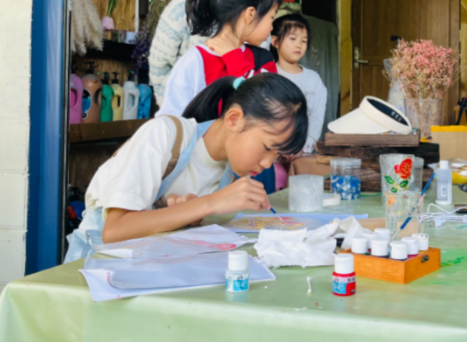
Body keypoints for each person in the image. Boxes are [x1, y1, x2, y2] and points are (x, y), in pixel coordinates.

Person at [64, 74, 308, 263]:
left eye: (277, 156)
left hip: (142, 264)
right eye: (267, 147)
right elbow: (115, 231)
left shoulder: (228, 168)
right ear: (234, 119)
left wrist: (187, 215)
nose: (267, 163)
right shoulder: (164, 134)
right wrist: (210, 203)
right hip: (93, 265)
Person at [157, 0, 281, 118]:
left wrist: (234, 58)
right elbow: (170, 120)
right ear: (250, 15)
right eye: (272, 18)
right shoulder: (195, 60)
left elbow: (272, 106)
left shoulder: (263, 60)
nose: (272, 27)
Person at [269, 14, 327, 190]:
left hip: (303, 157)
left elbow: (316, 117)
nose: (298, 45)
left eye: (304, 41)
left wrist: (303, 147)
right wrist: (278, 147)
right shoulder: (268, 75)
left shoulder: (313, 80)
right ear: (275, 42)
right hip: (270, 158)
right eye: (293, 39)